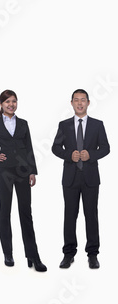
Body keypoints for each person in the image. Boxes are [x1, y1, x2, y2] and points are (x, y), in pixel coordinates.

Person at [0, 89, 47, 272]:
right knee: (5, 211)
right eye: (7, 101)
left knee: (26, 212)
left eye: (14, 101)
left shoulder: (23, 123)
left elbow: (29, 147)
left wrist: (33, 171)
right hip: (5, 173)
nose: (11, 104)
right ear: (1, 105)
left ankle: (33, 256)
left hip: (23, 172)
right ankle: (8, 253)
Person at [52, 89, 110, 269]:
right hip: (70, 177)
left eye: (83, 100)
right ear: (71, 103)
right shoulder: (64, 125)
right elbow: (55, 148)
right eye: (76, 100)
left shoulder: (97, 125)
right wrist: (69, 155)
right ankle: (68, 253)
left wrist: (90, 155)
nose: (79, 103)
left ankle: (92, 254)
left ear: (88, 102)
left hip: (91, 178)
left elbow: (106, 148)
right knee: (70, 216)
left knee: (91, 216)